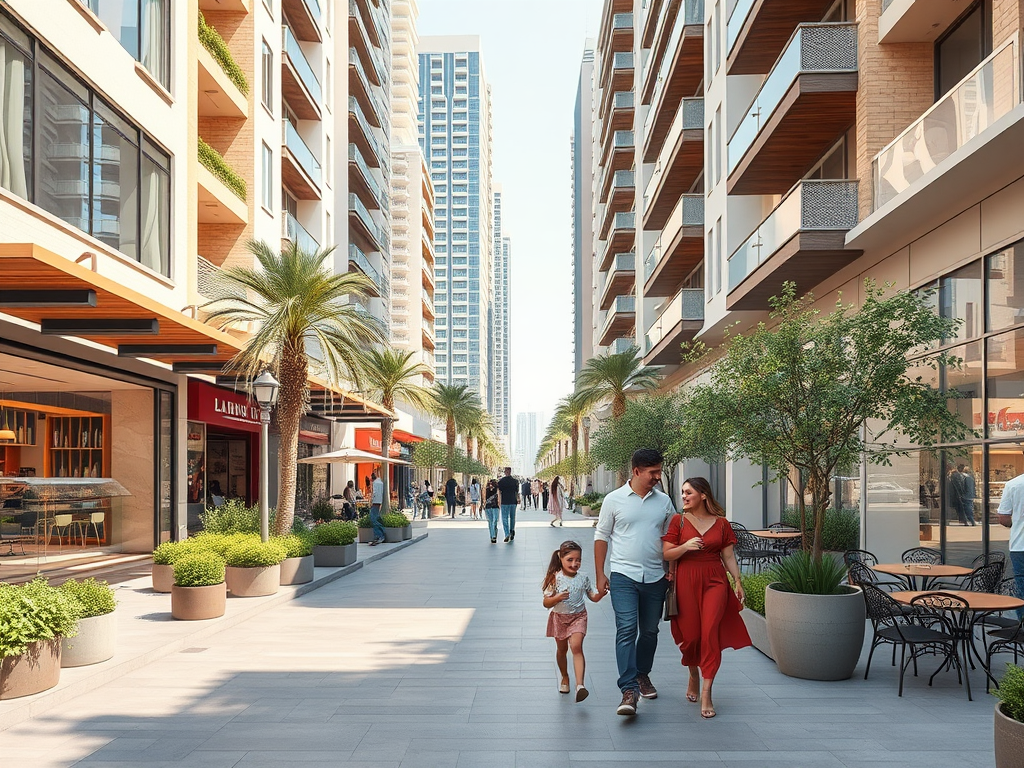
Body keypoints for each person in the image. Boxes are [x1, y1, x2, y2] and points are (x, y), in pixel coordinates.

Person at [594, 448, 676, 717]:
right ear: (636, 471)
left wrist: (671, 569)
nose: (657, 477)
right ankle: (628, 689)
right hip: (623, 575)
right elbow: (601, 536)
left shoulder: (664, 501)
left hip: (656, 576)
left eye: (659, 472)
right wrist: (600, 574)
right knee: (627, 628)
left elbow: (672, 536)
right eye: (653, 472)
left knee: (650, 631)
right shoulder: (614, 500)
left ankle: (642, 675)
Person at [662, 477, 750, 719]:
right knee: (691, 636)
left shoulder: (721, 524)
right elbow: (667, 552)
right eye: (682, 493)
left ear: (703, 495)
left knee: (710, 632)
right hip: (686, 582)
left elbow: (728, 556)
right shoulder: (678, 521)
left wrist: (738, 581)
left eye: (688, 492)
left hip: (715, 581)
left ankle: (707, 691)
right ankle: (693, 673)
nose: (684, 496)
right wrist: (685, 547)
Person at [543, 540, 605, 702]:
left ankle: (580, 685)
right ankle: (564, 676)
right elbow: (546, 603)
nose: (574, 563)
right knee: (562, 650)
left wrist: (601, 594)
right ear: (561, 558)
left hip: (578, 617)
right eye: (570, 560)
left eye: (578, 560)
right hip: (560, 618)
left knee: (576, 646)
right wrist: (556, 598)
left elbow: (593, 596)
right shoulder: (555, 578)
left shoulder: (583, 578)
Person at [998, 465, 1024, 619]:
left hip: (1020, 545)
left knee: (1022, 588)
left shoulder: (1014, 484)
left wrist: (1016, 523)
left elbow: (1004, 518)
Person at [497, 467, 521, 543]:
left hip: (505, 502)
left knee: (504, 518)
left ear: (505, 472)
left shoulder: (501, 481)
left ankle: (507, 533)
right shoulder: (515, 481)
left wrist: (499, 501)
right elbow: (517, 491)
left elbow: (499, 492)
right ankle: (512, 530)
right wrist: (518, 499)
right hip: (513, 501)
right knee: (512, 517)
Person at [368, 472, 385, 546]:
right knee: (376, 518)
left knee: (373, 519)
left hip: (375, 502)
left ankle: (379, 535)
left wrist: (371, 501)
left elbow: (374, 493)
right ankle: (380, 534)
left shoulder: (375, 483)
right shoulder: (380, 482)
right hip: (379, 502)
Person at [484, 478, 501, 543]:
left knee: (491, 522)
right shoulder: (497, 490)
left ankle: (493, 536)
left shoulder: (486, 489)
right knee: (494, 522)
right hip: (494, 507)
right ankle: (493, 536)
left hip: (489, 507)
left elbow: (483, 497)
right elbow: (499, 498)